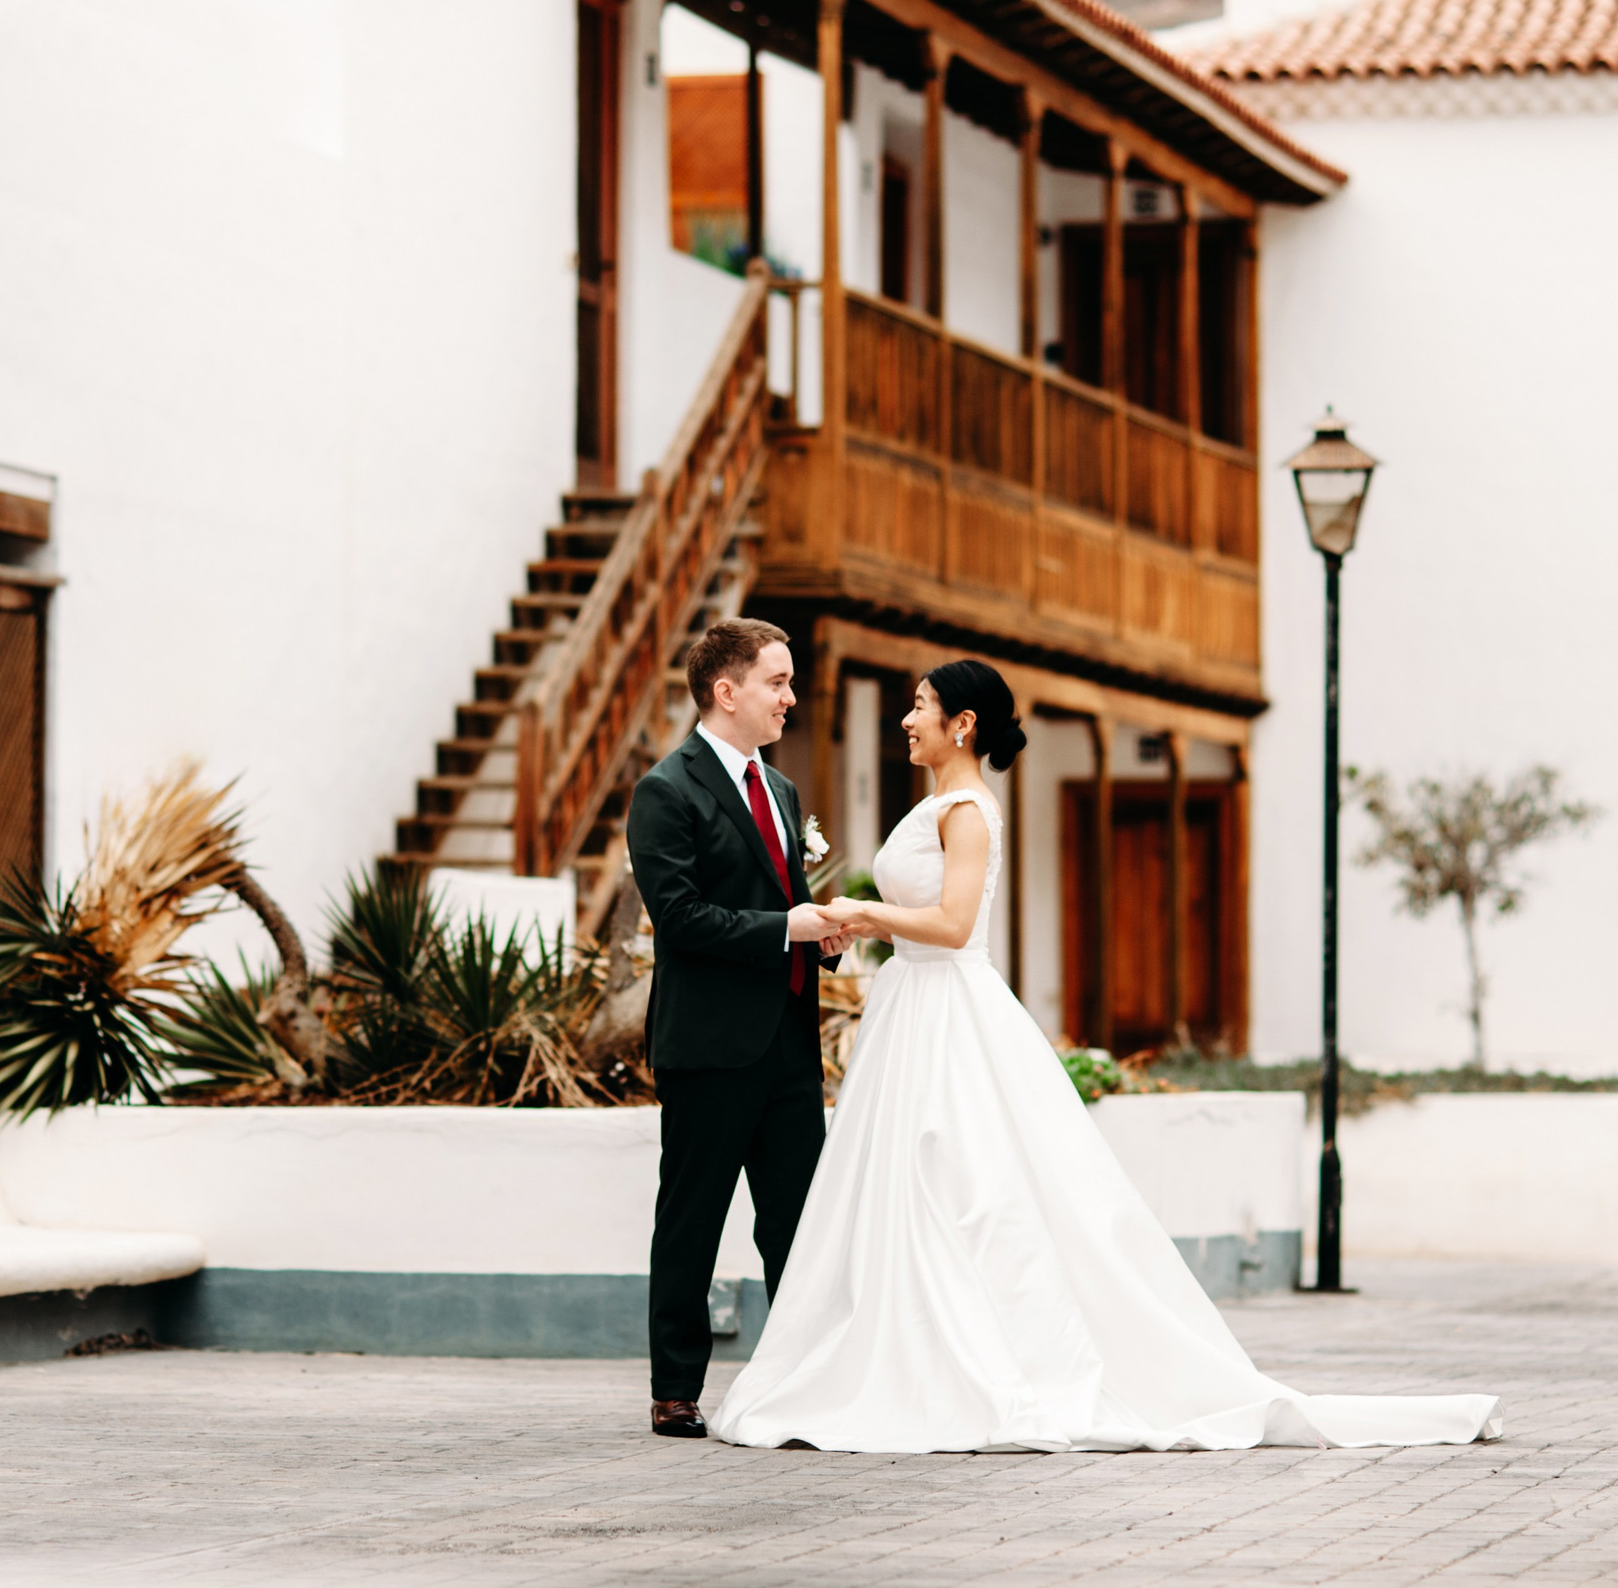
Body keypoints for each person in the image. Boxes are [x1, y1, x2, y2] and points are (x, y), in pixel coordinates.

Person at [711, 659, 1505, 1453]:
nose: (906, 719)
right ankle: (902, 1345)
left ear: (963, 725)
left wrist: (858, 909)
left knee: (960, 1179)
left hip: (949, 1007)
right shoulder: (938, 802)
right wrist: (869, 923)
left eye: (919, 706)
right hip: (913, 1009)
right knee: (911, 1183)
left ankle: (962, 1360)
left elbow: (953, 926)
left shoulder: (967, 809)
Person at [624, 617, 850, 1440]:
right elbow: (680, 919)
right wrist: (788, 926)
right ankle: (675, 1389)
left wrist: (819, 933)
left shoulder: (781, 789)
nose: (791, 697)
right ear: (727, 691)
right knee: (693, 1217)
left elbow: (783, 895)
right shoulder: (666, 791)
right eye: (778, 682)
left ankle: (799, 1378)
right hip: (710, 1047)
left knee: (797, 1223)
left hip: (789, 1044)